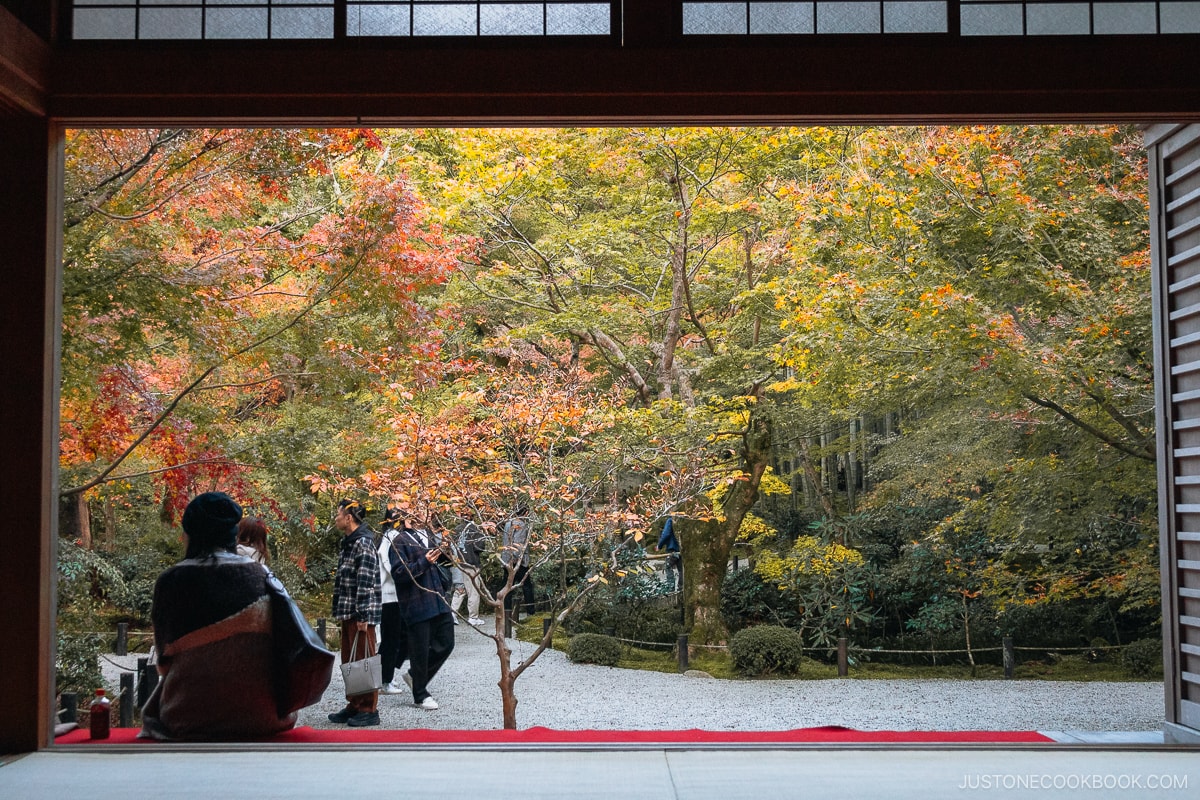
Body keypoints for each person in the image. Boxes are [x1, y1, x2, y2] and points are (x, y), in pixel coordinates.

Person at [139, 492, 298, 740]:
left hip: (187, 716)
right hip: (263, 716)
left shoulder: (171, 581)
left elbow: (163, 662)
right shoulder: (262, 575)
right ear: (232, 535)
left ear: (189, 534)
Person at [387, 515, 455, 710]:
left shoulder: (431, 537)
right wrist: (424, 562)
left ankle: (416, 676)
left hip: (438, 598)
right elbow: (398, 574)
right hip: (416, 601)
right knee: (419, 649)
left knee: (447, 642)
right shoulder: (399, 540)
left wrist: (446, 552)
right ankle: (420, 694)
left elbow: (445, 565)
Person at [327, 499, 382, 727]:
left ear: (349, 517)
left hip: (361, 613)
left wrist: (362, 615)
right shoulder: (350, 542)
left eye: (339, 514)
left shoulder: (363, 543)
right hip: (348, 610)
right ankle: (355, 704)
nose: (336, 518)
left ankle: (369, 708)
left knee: (364, 659)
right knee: (350, 659)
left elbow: (366, 581)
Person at [376, 505, 409, 695]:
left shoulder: (386, 535)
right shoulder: (394, 537)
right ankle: (385, 680)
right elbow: (389, 563)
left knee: (392, 639)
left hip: (388, 594)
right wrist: (402, 577)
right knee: (392, 639)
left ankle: (385, 677)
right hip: (390, 595)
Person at [451, 519, 486, 626]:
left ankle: (452, 613)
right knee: (474, 590)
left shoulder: (456, 529)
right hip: (471, 563)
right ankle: (473, 617)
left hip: (458, 562)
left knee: (460, 589)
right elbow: (479, 547)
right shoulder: (475, 529)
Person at [502, 507, 535, 619]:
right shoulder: (521, 525)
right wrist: (518, 558)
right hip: (517, 560)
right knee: (527, 586)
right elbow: (518, 542)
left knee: (508, 586)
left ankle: (506, 611)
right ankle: (530, 612)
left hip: (506, 558)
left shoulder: (508, 523)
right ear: (525, 513)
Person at [657, 515, 681, 593]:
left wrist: (659, 545)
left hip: (672, 548)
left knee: (668, 567)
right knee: (681, 570)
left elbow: (666, 534)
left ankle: (671, 589)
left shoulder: (670, 520)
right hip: (681, 549)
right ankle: (681, 588)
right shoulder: (683, 519)